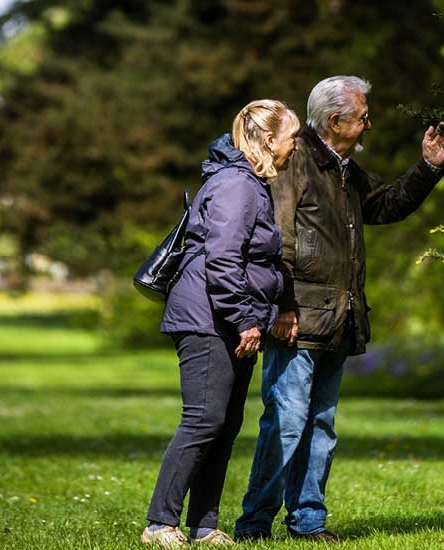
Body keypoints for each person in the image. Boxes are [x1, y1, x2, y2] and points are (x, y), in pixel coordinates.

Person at [234, 76, 444, 542]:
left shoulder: (345, 168)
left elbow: (386, 204)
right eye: (363, 116)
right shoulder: (296, 161)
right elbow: (281, 239)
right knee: (286, 425)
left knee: (320, 427)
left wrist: (428, 168)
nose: (369, 123)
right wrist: (283, 306)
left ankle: (309, 522)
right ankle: (255, 524)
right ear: (335, 121)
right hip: (296, 319)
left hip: (339, 319)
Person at [142, 99, 300, 548]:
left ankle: (203, 525)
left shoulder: (250, 183)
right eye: (291, 137)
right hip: (209, 319)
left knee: (224, 425)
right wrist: (246, 319)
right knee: (203, 420)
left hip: (229, 319)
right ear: (269, 141)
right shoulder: (236, 184)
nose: (294, 147)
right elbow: (222, 260)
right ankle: (159, 524)